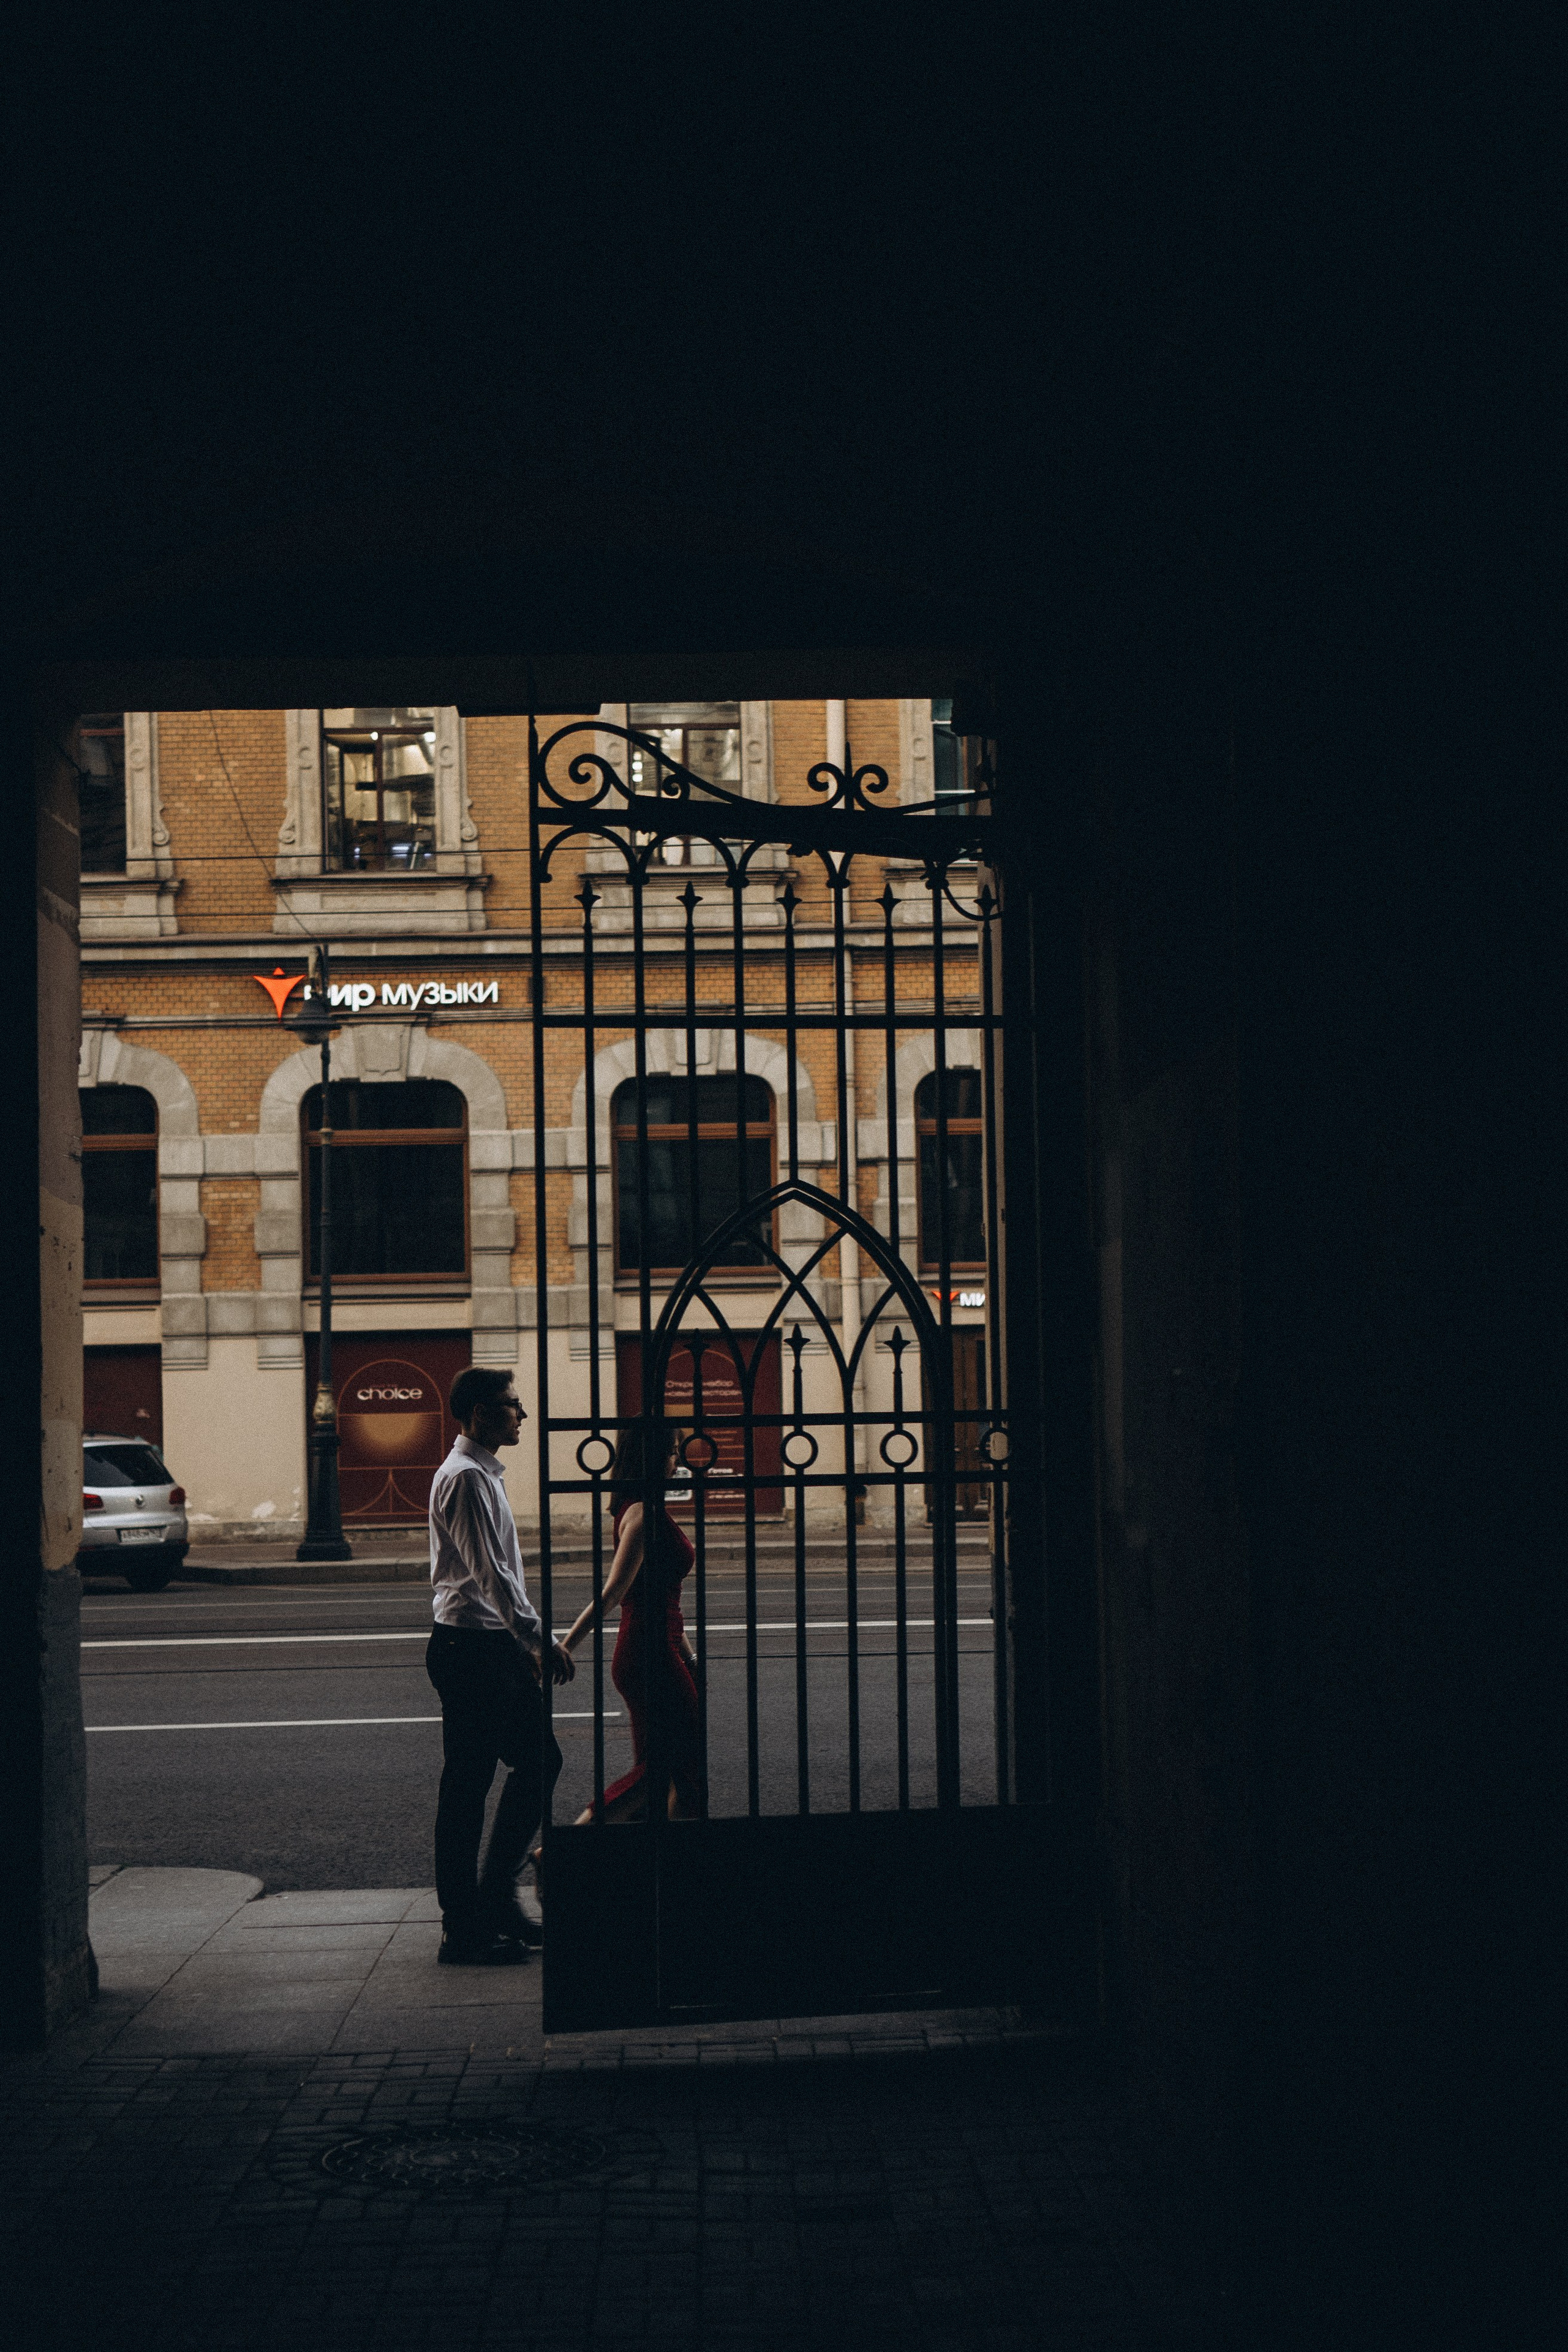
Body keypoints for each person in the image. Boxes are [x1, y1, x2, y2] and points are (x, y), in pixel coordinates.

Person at [425, 1366, 574, 1965]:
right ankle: (465, 1926)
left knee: (537, 1762)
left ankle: (494, 1899)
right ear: (483, 1412)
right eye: (514, 1405)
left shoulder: (481, 1474)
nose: (523, 1415)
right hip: (470, 1650)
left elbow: (499, 1574)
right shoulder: (464, 1478)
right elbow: (492, 1575)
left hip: (489, 1647)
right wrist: (538, 1640)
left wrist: (522, 1644)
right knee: (469, 1787)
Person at [560, 1419, 704, 1823]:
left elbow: (664, 1601)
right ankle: (564, 1851)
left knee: (662, 1770)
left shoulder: (644, 1508)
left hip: (655, 1650)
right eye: (673, 1451)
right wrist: (565, 1646)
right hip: (649, 1656)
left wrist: (691, 1660)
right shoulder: (643, 1517)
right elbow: (612, 1594)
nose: (679, 1461)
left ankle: (649, 1866)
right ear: (654, 1456)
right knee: (680, 1765)